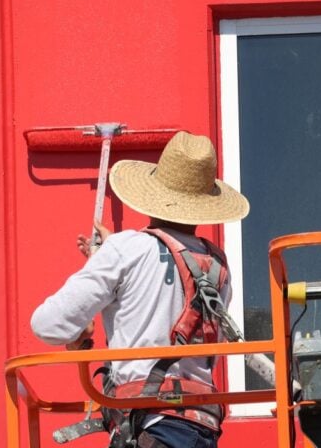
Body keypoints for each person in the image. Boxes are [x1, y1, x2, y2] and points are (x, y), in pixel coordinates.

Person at [31, 131, 250, 448]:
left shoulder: (127, 249)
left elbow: (47, 324)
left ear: (153, 192)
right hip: (203, 425)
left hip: (152, 423)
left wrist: (105, 264)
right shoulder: (217, 263)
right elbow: (167, 293)